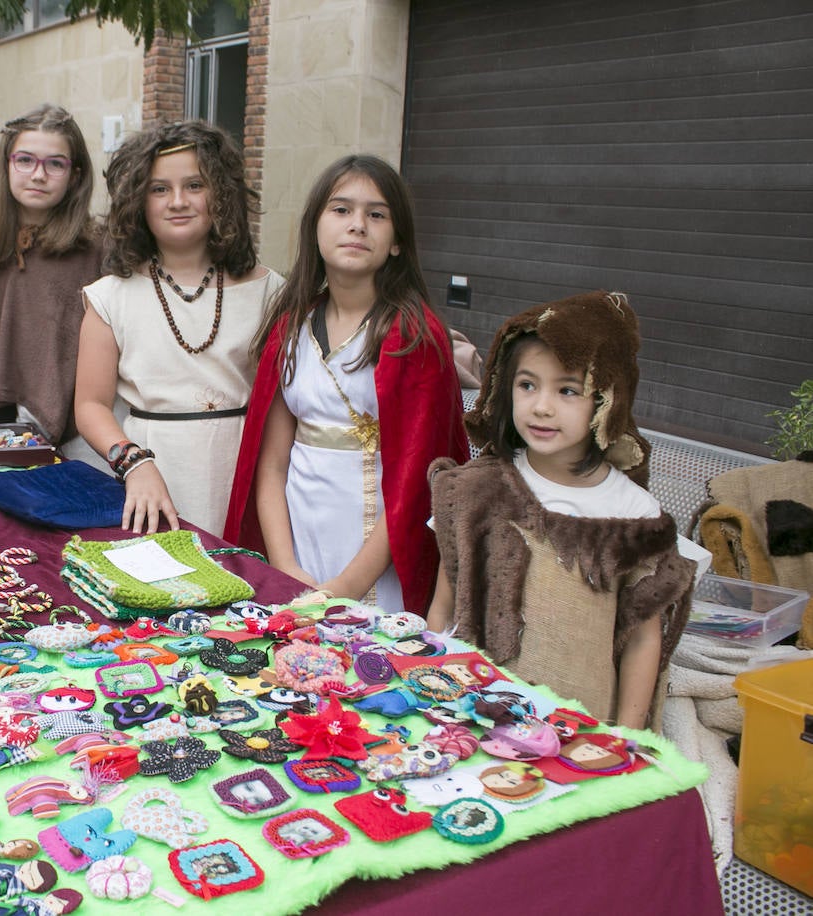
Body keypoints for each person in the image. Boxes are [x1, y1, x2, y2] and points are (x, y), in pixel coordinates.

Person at [424, 290, 695, 729]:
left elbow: (643, 637)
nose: (542, 406)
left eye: (568, 390)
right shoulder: (476, 488)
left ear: (607, 400)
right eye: (527, 384)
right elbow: (444, 603)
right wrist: (432, 689)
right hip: (474, 717)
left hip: (582, 730)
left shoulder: (634, 513)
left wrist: (626, 736)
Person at [225, 155, 469, 612]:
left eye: (376, 215)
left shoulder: (414, 336)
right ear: (315, 228)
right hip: (297, 536)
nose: (357, 225)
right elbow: (272, 463)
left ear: (397, 242)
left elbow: (419, 483)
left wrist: (346, 587)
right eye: (341, 210)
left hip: (377, 554)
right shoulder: (290, 326)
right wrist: (284, 567)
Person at [76, 120, 282, 536]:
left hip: (246, 472)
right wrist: (135, 464)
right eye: (159, 189)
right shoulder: (109, 297)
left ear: (221, 194)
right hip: (151, 477)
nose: (177, 201)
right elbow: (90, 406)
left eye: (195, 185)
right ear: (138, 201)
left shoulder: (269, 290)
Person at [0, 104, 104, 454]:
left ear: (75, 174)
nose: (38, 175)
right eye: (25, 160)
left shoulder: (96, 248)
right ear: (6, 164)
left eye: (55, 163)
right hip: (4, 432)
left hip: (85, 433)